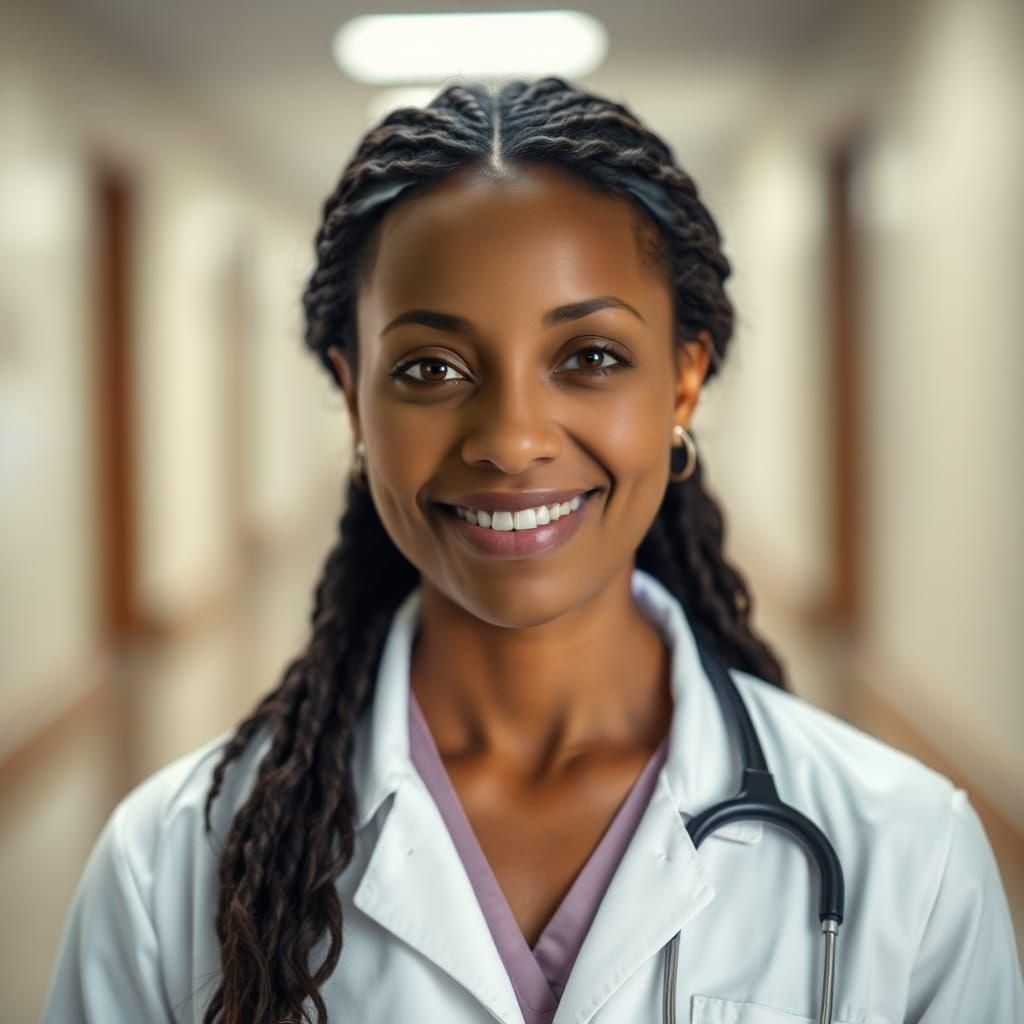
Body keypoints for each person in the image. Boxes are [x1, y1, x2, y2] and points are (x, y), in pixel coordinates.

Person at [42, 76, 1023, 1024]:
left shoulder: (908, 854)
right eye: (430, 367)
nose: (510, 439)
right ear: (352, 396)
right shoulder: (167, 869)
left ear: (682, 382)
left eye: (588, 357)